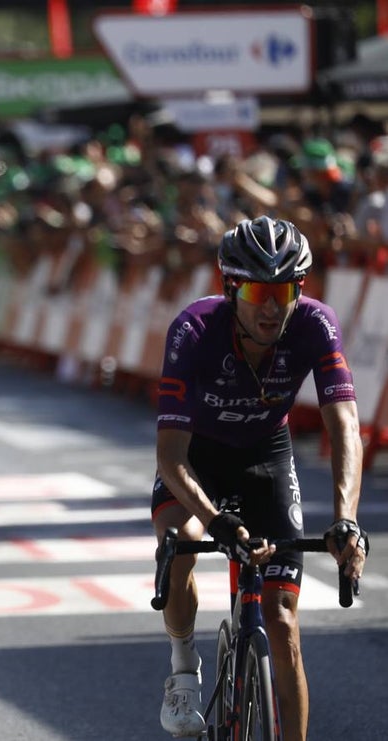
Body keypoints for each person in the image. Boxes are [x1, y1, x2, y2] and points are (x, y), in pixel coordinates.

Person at [152, 215, 369, 739]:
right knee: (183, 541)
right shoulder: (194, 330)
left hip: (265, 455)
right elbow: (170, 453)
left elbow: (345, 426)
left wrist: (345, 520)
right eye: (256, 290)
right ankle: (184, 667)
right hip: (197, 459)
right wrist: (213, 519)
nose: (271, 306)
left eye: (284, 289)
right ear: (231, 289)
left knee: (283, 623)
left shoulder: (315, 325)